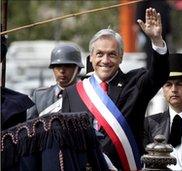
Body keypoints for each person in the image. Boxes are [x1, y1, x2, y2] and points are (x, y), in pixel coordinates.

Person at [61, 8, 169, 170]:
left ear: (121, 57)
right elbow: (65, 138)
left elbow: (159, 75)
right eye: (100, 54)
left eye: (112, 54)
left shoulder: (135, 83)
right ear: (91, 57)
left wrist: (157, 40)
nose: (105, 60)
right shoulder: (73, 92)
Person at [27, 44, 84, 120]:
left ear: (78, 69)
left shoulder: (87, 95)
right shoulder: (39, 96)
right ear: (52, 68)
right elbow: (30, 127)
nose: (62, 71)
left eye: (67, 66)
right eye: (58, 66)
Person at [135, 0, 172, 68]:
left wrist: (168, 30)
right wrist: (137, 24)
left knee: (163, 54)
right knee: (151, 55)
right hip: (150, 30)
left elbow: (167, 12)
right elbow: (140, 9)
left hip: (163, 31)